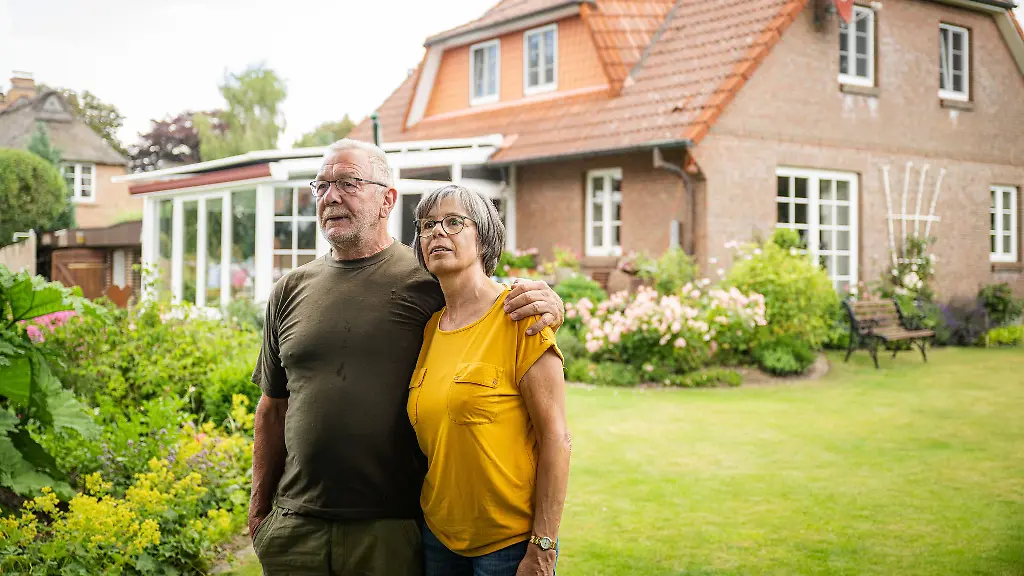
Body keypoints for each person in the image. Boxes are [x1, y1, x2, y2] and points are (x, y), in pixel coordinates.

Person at [248, 139, 564, 576]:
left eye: (349, 182)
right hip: (296, 524)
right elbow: (272, 407)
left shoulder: (427, 282)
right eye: (321, 186)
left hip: (389, 526)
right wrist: (259, 508)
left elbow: (483, 295)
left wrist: (548, 301)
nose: (331, 196)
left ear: (387, 200)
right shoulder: (289, 289)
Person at [409, 185, 571, 576]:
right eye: (428, 225)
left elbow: (556, 438)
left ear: (483, 237)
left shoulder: (521, 316)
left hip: (508, 546)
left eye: (453, 222)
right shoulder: (430, 328)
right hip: (439, 537)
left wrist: (543, 546)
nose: (437, 233)